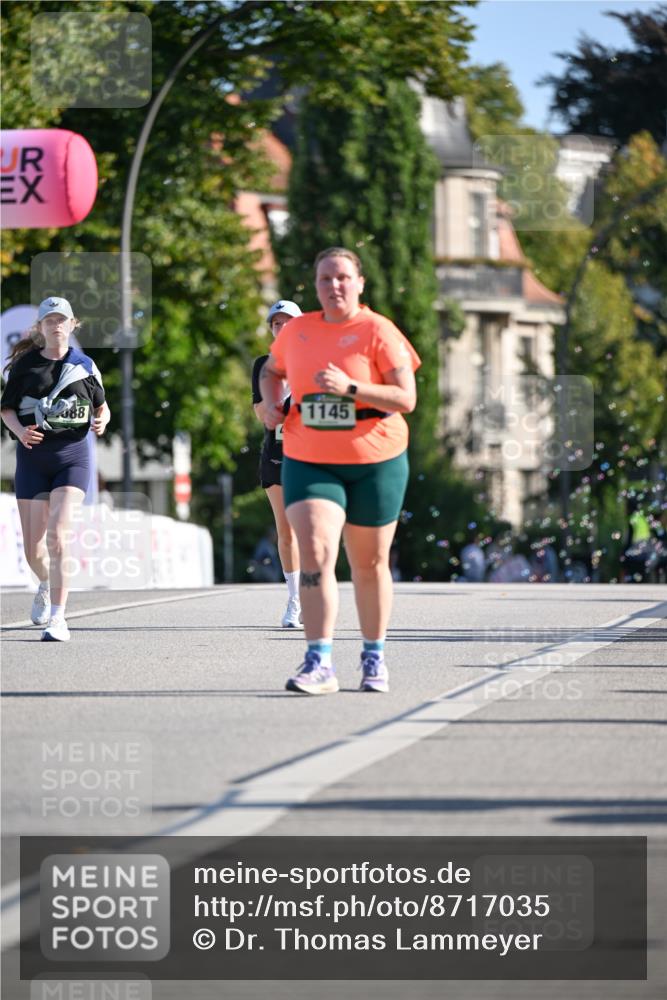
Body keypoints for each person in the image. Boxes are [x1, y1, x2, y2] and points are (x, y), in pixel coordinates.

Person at [259, 247, 421, 694]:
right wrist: (271, 405)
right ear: (315, 286)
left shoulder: (378, 331)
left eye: (343, 278)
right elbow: (271, 370)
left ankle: (373, 656)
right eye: (325, 279)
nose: (334, 286)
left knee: (368, 564)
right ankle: (319, 660)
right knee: (313, 550)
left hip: (375, 457)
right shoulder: (298, 332)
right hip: (310, 456)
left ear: (360, 283)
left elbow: (406, 398)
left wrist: (351, 389)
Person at [0, 297, 110, 641]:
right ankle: (45, 585)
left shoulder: (86, 365)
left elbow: (102, 407)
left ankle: (58, 619)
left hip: (72, 458)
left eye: (62, 319)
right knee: (34, 550)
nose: (56, 325)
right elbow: (7, 411)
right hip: (33, 459)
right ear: (40, 327)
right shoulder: (25, 366)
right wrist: (20, 431)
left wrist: (101, 421)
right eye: (50, 320)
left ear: (72, 324)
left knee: (58, 537)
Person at [251, 299, 303, 626]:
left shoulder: (314, 360)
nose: (281, 328)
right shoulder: (263, 365)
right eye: (276, 324)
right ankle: (295, 601)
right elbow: (262, 414)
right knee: (287, 532)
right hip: (276, 455)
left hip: (312, 456)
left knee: (313, 530)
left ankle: (317, 593)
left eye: (287, 322)